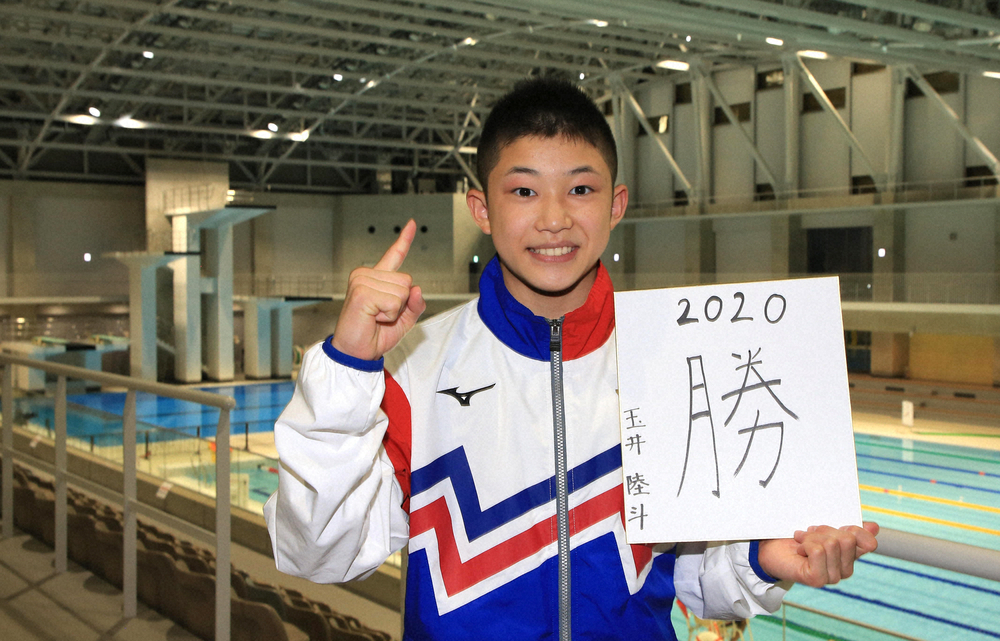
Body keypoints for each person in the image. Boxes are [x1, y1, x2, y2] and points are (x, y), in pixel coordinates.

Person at [264, 77, 878, 641]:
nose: (554, 219)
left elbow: (689, 582)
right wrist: (347, 366)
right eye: (524, 190)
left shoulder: (672, 364)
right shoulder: (413, 373)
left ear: (615, 204)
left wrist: (760, 560)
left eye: (580, 189)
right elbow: (317, 553)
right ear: (482, 208)